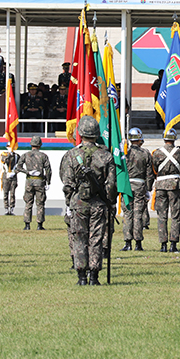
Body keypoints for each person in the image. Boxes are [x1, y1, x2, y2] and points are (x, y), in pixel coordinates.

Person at [62, 115, 116, 285]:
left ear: (80, 132)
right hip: (99, 203)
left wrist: (70, 201)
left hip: (78, 203)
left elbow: (67, 183)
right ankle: (94, 276)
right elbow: (112, 184)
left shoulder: (71, 155)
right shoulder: (106, 156)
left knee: (79, 238)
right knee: (96, 239)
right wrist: (110, 201)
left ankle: (81, 277)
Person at [151, 128, 180, 252]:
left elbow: (154, 168)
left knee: (162, 216)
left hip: (160, 185)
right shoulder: (179, 152)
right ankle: (173, 244)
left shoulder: (157, 153)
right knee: (176, 215)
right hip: (174, 185)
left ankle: (163, 244)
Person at [122, 128, 153, 251]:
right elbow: (149, 173)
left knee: (128, 214)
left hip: (127, 186)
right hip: (140, 186)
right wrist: (148, 188)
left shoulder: (125, 153)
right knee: (138, 215)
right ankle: (138, 243)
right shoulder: (145, 153)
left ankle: (127, 242)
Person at [15, 136, 51, 229]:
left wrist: (27, 172)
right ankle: (40, 225)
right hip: (39, 181)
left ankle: (27, 225)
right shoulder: (43, 156)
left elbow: (18, 167)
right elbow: (48, 170)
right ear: (40, 145)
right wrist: (48, 181)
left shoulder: (25, 155)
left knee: (28, 203)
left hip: (29, 182)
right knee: (40, 203)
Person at [0, 145, 19, 216]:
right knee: (5, 193)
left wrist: (15, 172)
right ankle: (6, 208)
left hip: (13, 176)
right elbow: (5, 161)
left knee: (12, 193)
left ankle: (12, 208)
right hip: (6, 176)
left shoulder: (17, 156)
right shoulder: (3, 155)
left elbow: (19, 166)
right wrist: (9, 155)